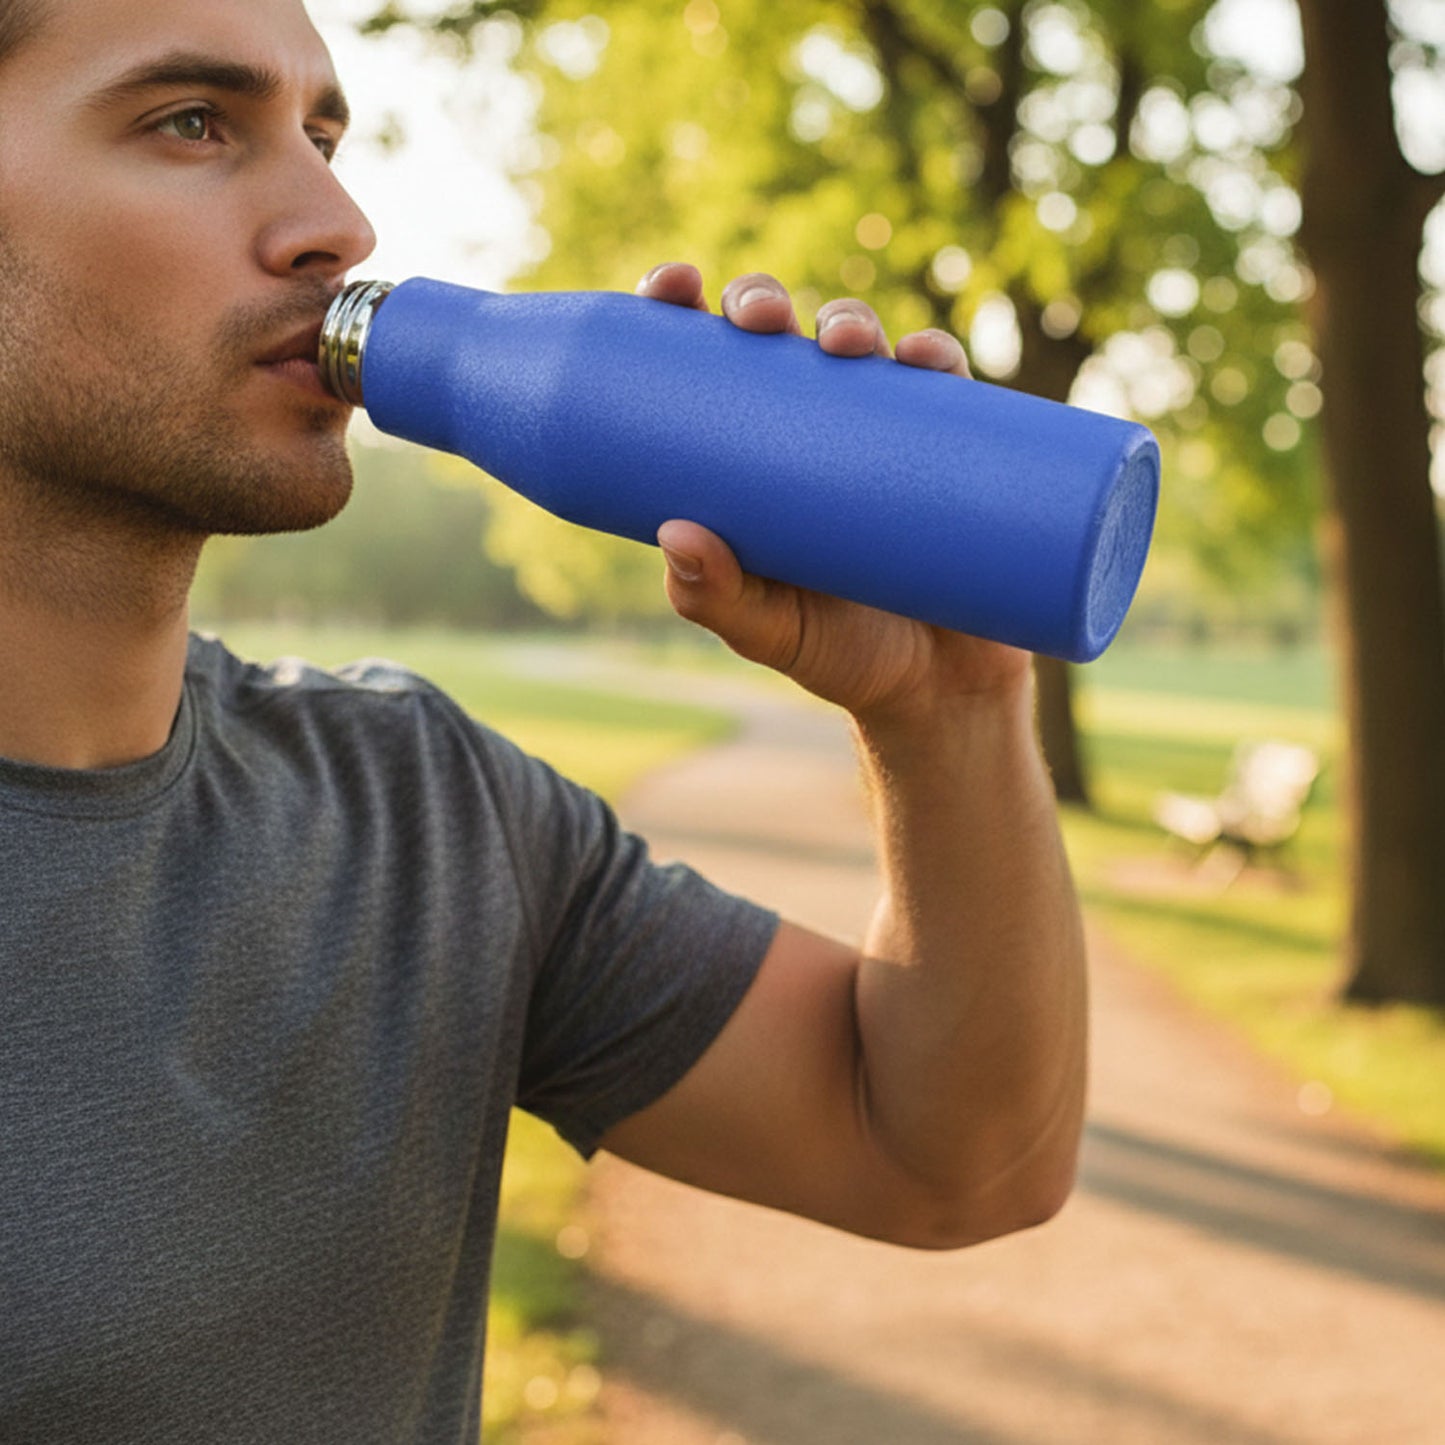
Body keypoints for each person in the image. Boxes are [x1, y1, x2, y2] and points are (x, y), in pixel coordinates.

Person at [0, 0, 1088, 1440]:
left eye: (323, 136)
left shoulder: (421, 815)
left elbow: (953, 1156)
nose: (339, 220)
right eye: (192, 123)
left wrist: (947, 710)